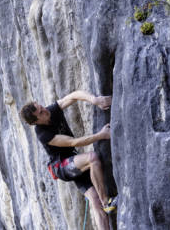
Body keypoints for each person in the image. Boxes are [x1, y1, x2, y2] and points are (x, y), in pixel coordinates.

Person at [20, 90, 118, 230]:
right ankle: (107, 203)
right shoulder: (43, 134)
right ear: (36, 122)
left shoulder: (50, 110)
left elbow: (73, 96)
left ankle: (102, 206)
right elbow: (73, 142)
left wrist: (94, 100)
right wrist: (101, 135)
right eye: (40, 113)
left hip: (74, 160)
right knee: (92, 158)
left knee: (94, 201)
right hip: (62, 166)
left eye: (41, 107)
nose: (44, 110)